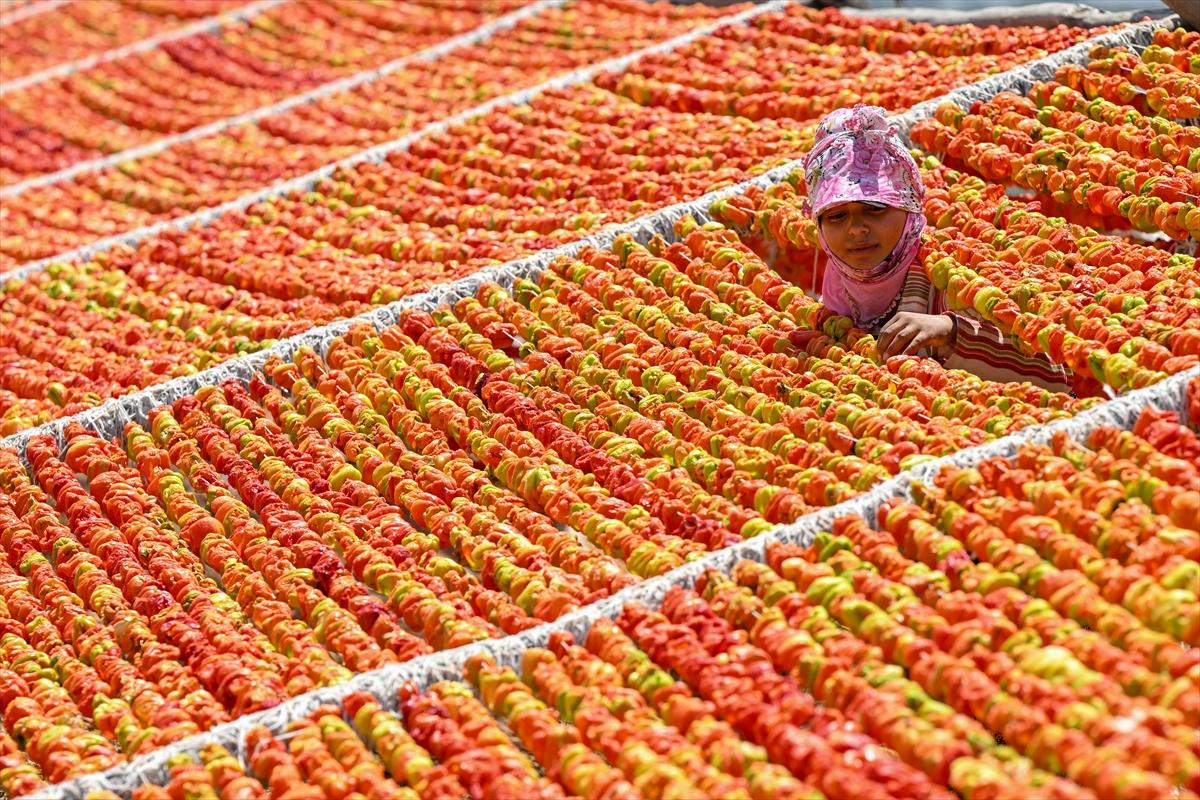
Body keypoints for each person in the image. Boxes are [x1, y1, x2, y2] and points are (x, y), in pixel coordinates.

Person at [801, 105, 1075, 394]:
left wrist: (952, 331)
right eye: (836, 216)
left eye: (875, 208)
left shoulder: (964, 274)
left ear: (909, 209)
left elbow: (1057, 370)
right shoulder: (835, 295)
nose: (856, 229)